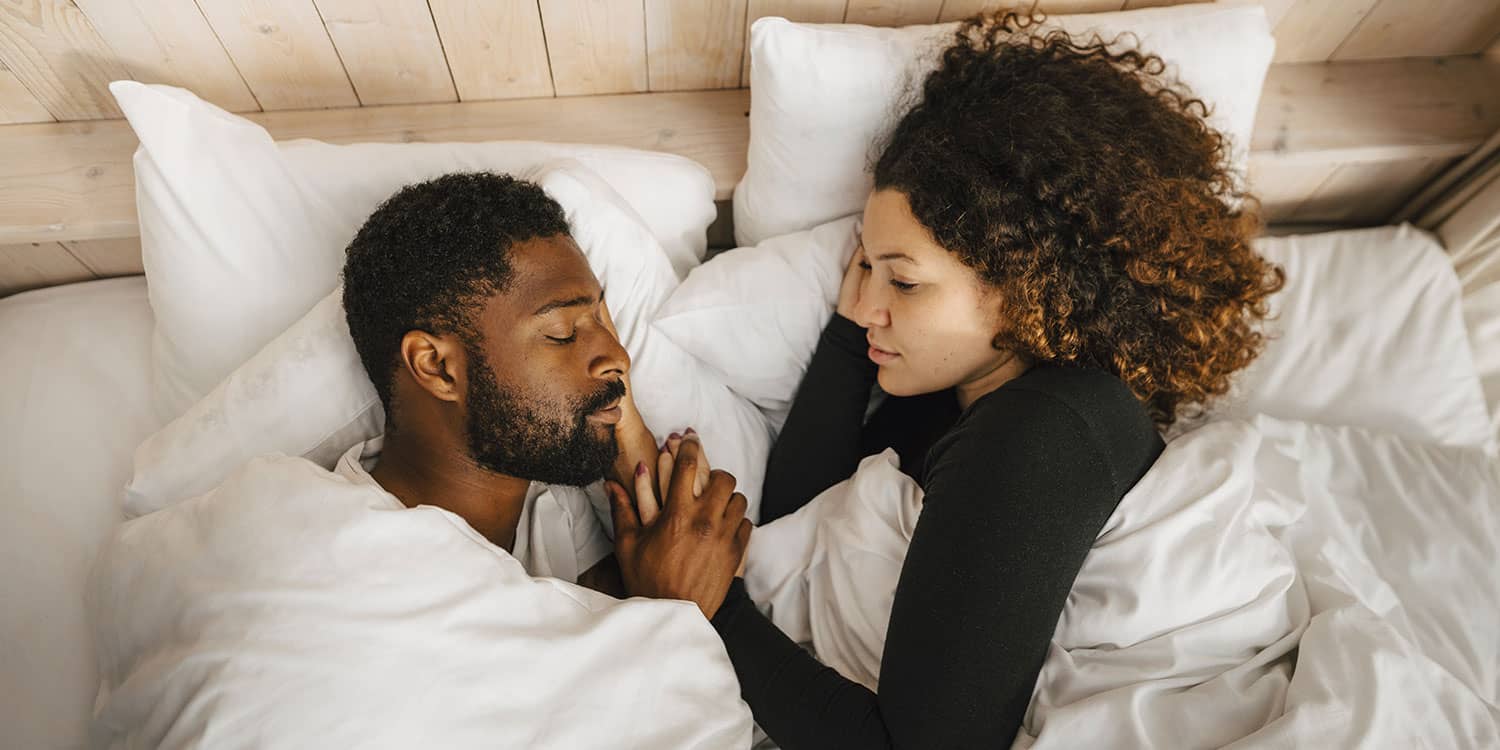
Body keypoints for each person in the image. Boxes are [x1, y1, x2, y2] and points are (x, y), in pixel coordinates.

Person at [607, 12, 1286, 748]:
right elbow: (807, 527)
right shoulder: (954, 392)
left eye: (903, 282)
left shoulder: (1046, 426)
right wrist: (846, 335)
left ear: (1028, 288)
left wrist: (712, 609)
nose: (869, 303)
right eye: (864, 264)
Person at [340, 170, 741, 592]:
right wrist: (680, 606)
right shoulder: (361, 576)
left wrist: (629, 452)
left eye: (600, 319)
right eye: (562, 332)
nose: (619, 357)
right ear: (437, 366)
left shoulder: (545, 501)